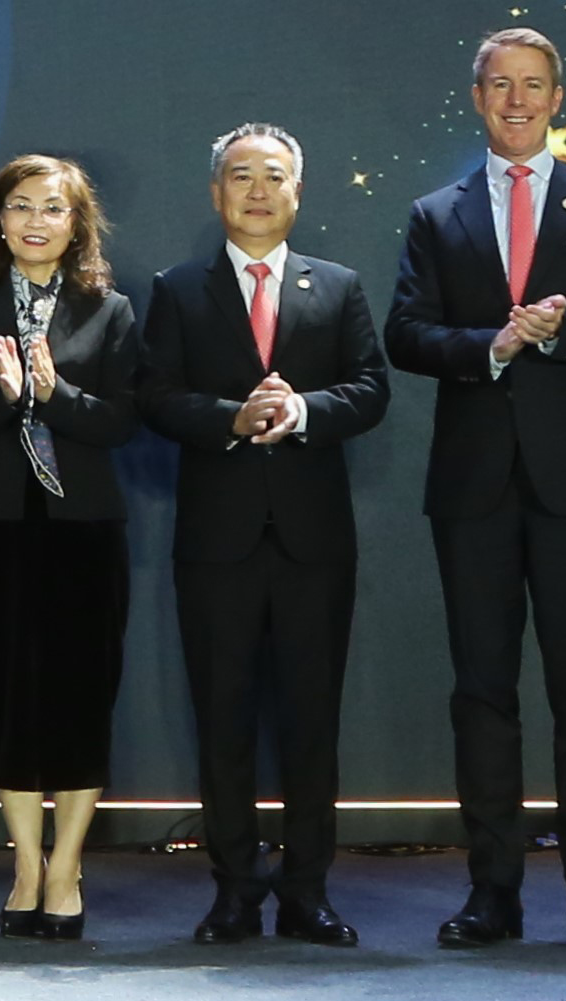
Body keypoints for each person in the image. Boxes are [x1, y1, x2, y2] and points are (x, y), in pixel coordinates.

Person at [385, 28, 566, 954]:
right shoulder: (438, 212)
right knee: (482, 693)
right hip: (474, 487)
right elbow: (406, 333)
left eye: (532, 84)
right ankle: (492, 891)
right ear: (477, 97)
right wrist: (491, 346)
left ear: (556, 96)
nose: (516, 100)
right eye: (500, 85)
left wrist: (560, 328)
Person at [141, 125, 392, 948]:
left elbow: (371, 388)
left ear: (298, 192)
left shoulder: (338, 285)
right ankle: (235, 891)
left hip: (314, 544)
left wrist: (304, 410)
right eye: (241, 175)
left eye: (273, 176)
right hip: (217, 544)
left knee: (312, 723)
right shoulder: (179, 289)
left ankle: (307, 891)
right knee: (223, 722)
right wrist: (232, 417)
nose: (257, 190)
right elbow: (155, 394)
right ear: (217, 193)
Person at [0, 155, 146, 942]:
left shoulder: (109, 310)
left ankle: (67, 868)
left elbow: (124, 419)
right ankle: (26, 865)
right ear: (0, 219)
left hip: (84, 528)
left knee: (82, 697)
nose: (35, 221)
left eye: (52, 208)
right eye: (20, 206)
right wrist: (4, 396)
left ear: (76, 222)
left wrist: (57, 395)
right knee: (8, 697)